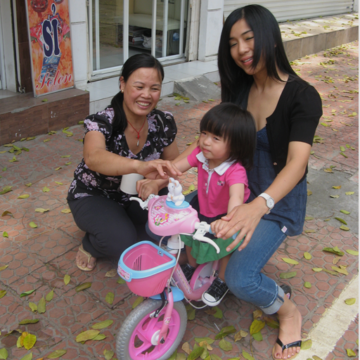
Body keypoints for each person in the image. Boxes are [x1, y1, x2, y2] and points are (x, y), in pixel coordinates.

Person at [179, 5, 322, 360]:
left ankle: (288, 312)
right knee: (177, 228)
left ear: (270, 37)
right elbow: (212, 139)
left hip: (274, 202)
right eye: (233, 42)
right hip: (233, 189)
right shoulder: (240, 90)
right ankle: (221, 271)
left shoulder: (303, 96)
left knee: (241, 279)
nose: (241, 49)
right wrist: (171, 166)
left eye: (248, 38)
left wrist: (258, 207)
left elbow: (297, 163)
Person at [67, 53, 181, 272]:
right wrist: (139, 165)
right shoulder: (102, 121)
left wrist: (157, 182)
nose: (146, 95)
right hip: (94, 195)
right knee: (122, 242)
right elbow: (93, 157)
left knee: (167, 227)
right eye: (139, 86)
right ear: (122, 83)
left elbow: (174, 163)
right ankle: (91, 244)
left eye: (154, 88)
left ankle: (120, 225)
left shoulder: (163, 122)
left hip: (137, 196)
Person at [173, 103, 256, 307]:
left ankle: (222, 280)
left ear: (235, 145)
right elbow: (175, 168)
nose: (205, 142)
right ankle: (192, 267)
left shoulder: (235, 171)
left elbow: (235, 197)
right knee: (190, 237)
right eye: (204, 133)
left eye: (215, 138)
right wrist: (158, 176)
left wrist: (229, 221)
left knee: (225, 247)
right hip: (201, 207)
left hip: (222, 215)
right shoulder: (201, 157)